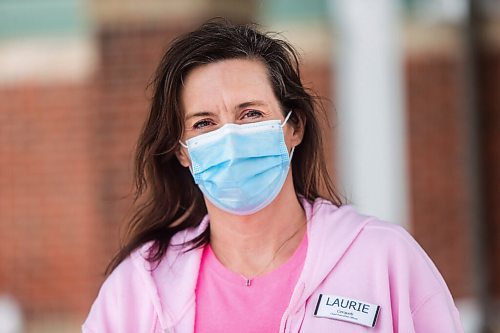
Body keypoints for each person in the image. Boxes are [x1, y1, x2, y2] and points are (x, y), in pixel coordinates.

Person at [82, 20, 463, 333]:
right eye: (204, 123)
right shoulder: (138, 287)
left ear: (293, 126)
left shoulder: (383, 258)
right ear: (182, 151)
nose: (228, 137)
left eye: (250, 113)